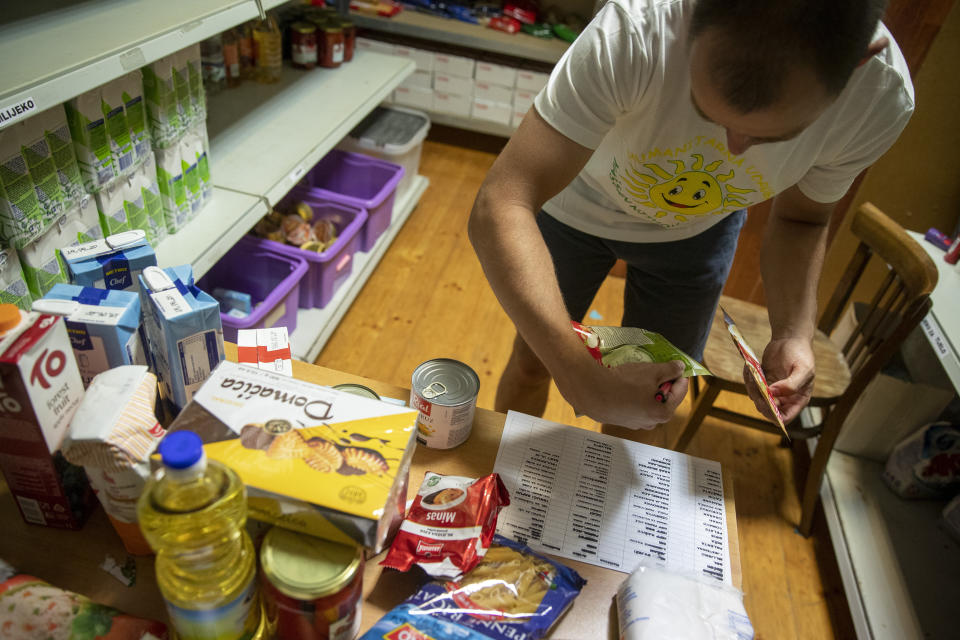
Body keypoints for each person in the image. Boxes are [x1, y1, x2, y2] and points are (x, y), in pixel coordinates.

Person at [468, 0, 913, 431]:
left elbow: (804, 219)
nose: (733, 147)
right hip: (574, 207)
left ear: (857, 62)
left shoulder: (880, 98)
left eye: (775, 136)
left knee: (652, 401)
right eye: (707, 112)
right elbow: (502, 202)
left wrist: (794, 331)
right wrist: (573, 371)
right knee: (533, 362)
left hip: (698, 236)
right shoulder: (636, 28)